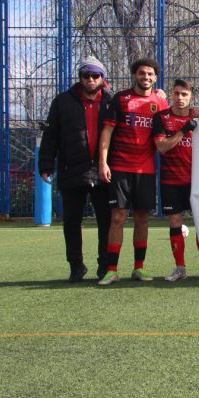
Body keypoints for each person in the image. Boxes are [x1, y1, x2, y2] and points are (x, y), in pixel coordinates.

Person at [39, 56, 113, 282]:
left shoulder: (111, 102)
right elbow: (51, 135)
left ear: (103, 78)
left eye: (95, 75)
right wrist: (45, 164)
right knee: (71, 220)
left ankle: (105, 266)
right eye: (86, 75)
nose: (91, 79)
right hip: (72, 168)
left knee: (106, 221)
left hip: (103, 171)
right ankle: (76, 265)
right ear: (80, 77)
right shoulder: (62, 101)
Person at [97, 57, 169, 285]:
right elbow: (107, 131)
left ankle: (139, 267)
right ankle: (111, 269)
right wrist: (103, 162)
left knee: (142, 218)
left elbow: (175, 121)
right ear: (135, 75)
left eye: (150, 74)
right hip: (119, 167)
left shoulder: (161, 102)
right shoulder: (121, 99)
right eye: (141, 73)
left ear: (155, 78)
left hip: (146, 170)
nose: (145, 77)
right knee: (117, 217)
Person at [153, 79, 199, 281]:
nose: (180, 98)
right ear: (171, 95)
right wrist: (182, 130)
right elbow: (162, 147)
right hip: (171, 179)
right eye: (177, 93)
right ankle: (180, 268)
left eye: (184, 94)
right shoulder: (161, 118)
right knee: (175, 222)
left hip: (197, 181)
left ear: (191, 97)